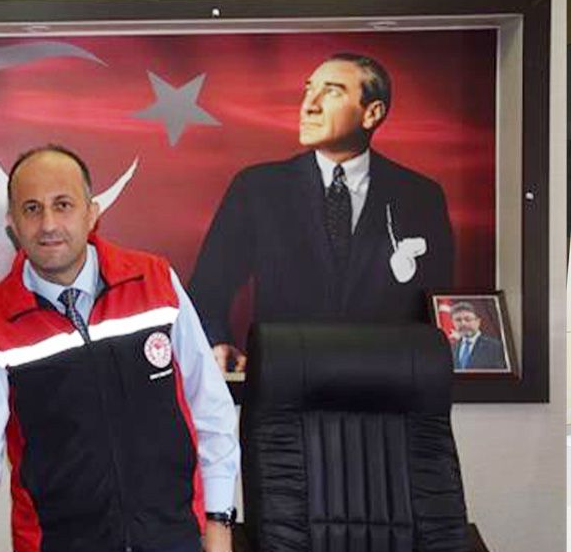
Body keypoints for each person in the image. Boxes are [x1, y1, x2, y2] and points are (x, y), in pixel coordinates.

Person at [0, 145, 240, 552]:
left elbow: (211, 405)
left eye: (63, 204)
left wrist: (219, 517)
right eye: (32, 209)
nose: (49, 224)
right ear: (12, 223)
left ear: (92, 213)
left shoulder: (154, 282)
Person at [188, 52, 455, 372]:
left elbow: (436, 309)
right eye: (308, 90)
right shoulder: (258, 188)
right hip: (283, 382)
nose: (308, 106)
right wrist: (216, 342)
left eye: (331, 92)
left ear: (372, 113)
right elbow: (206, 292)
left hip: (386, 385)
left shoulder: (420, 196)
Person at [448, 301, 506, 370]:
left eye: (467, 319)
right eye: (458, 320)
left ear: (478, 321)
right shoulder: (451, 349)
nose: (463, 323)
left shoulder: (495, 347)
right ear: (452, 322)